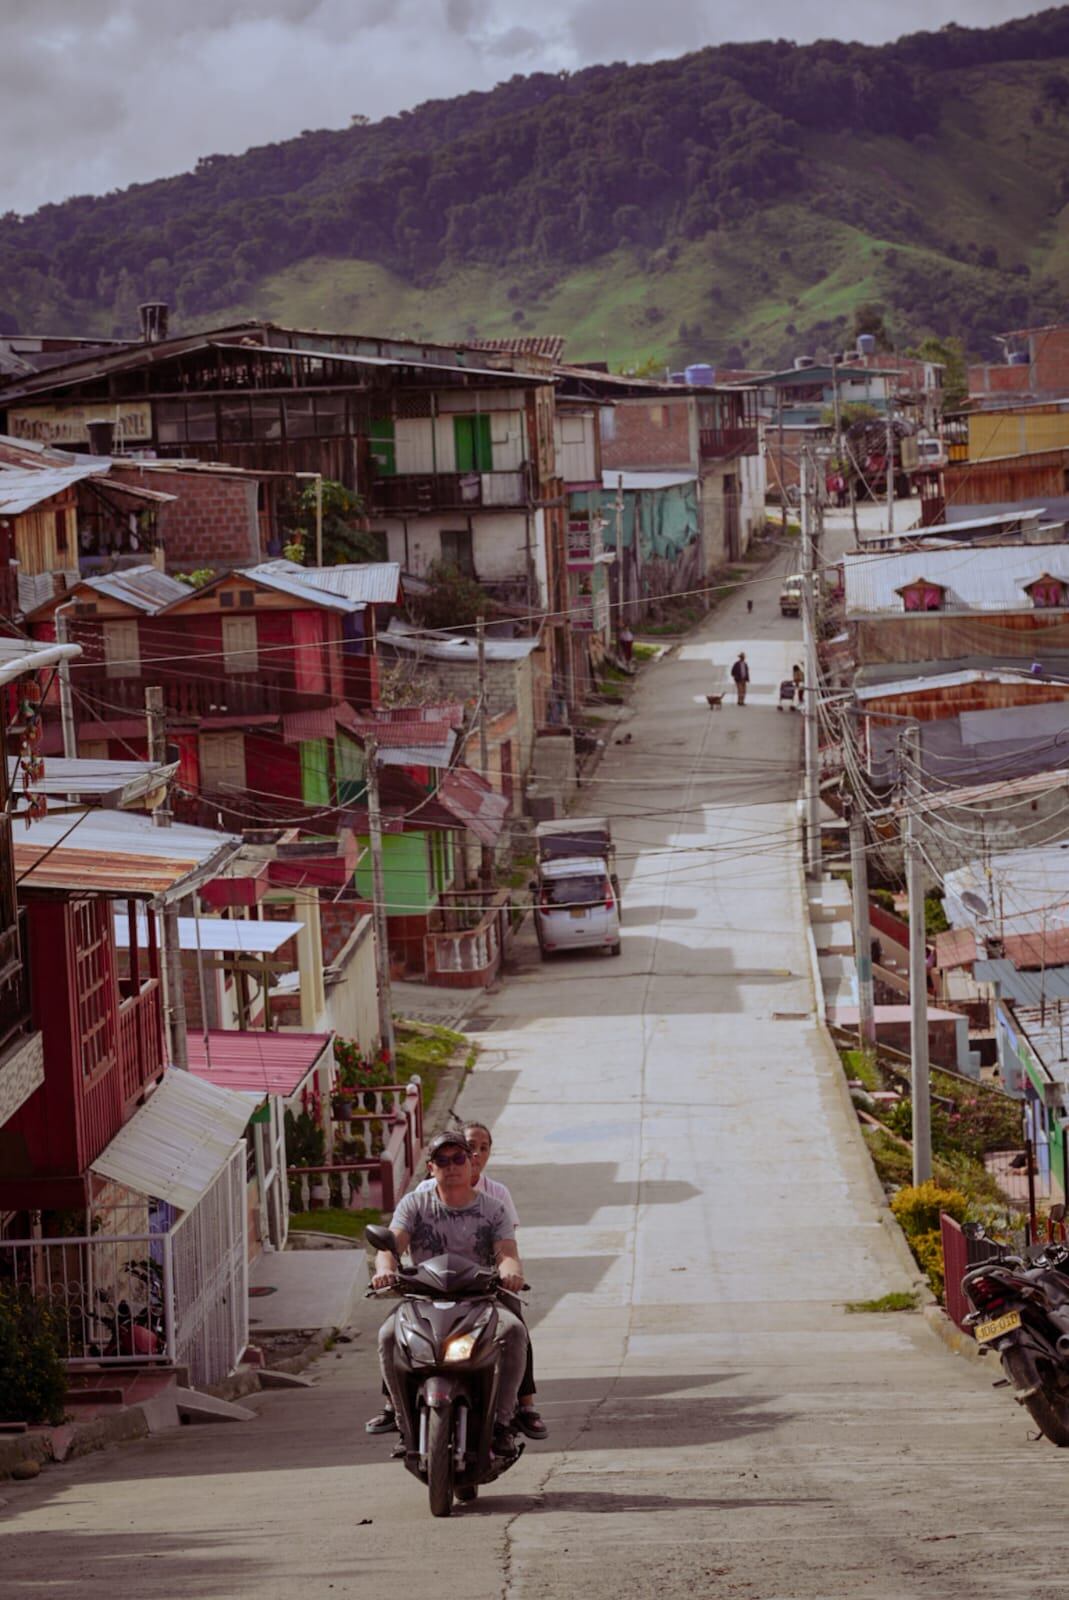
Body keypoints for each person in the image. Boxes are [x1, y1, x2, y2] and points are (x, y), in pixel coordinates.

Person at [367, 1121, 548, 1440]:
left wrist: (510, 1272)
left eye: (458, 1159)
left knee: (516, 1331)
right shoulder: (414, 1204)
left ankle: (506, 1419)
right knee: (386, 1335)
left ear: (471, 1162)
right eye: (443, 1161)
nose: (452, 1167)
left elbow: (507, 1251)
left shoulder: (494, 1208)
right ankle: (398, 1414)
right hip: (424, 1299)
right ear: (431, 1167)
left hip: (481, 1298)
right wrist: (384, 1269)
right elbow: (391, 1244)